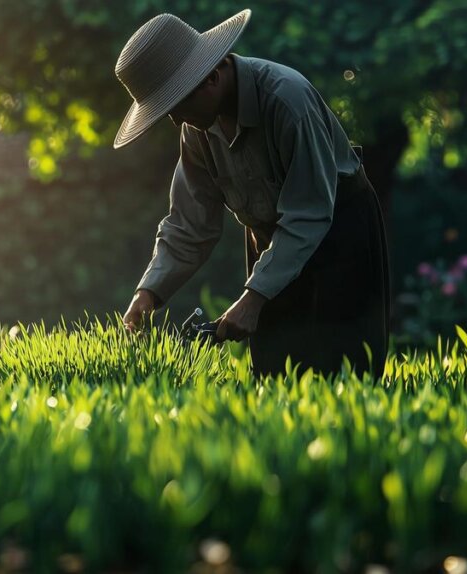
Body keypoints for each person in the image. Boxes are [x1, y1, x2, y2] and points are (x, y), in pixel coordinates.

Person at [115, 9, 390, 378]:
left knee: (344, 372)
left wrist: (255, 297)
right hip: (271, 241)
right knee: (275, 374)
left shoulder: (288, 101)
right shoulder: (197, 128)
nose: (176, 120)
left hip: (340, 235)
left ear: (210, 77)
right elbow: (189, 223)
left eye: (177, 104)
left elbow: (309, 213)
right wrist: (147, 294)